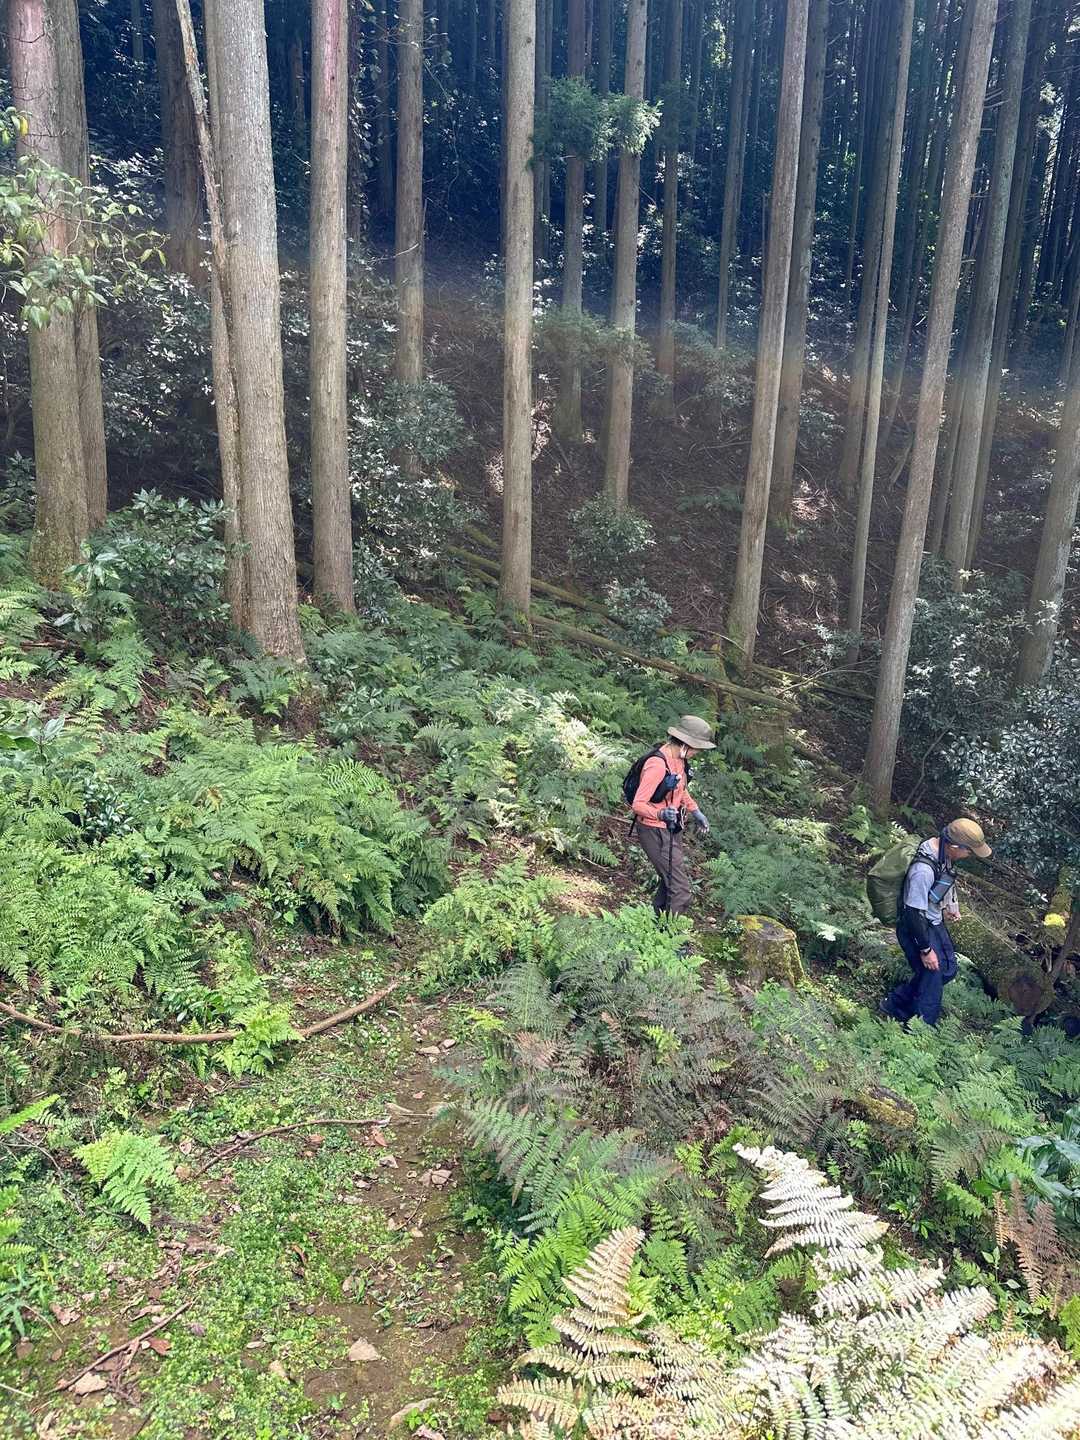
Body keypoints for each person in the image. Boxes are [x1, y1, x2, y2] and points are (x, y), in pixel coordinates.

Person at [880, 818, 992, 1027]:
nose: (970, 856)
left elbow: (946, 879)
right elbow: (913, 912)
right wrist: (925, 950)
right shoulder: (923, 871)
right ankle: (919, 1030)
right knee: (933, 974)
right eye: (969, 851)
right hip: (916, 927)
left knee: (948, 970)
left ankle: (897, 1003)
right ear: (955, 846)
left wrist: (950, 905)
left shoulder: (943, 853)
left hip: (933, 920)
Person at [629, 716, 715, 917]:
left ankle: (656, 925)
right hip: (654, 830)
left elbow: (680, 789)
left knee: (669, 883)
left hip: (671, 829)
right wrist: (659, 813)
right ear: (685, 744)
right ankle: (670, 933)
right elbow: (638, 804)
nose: (697, 753)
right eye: (696, 748)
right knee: (681, 891)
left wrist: (695, 811)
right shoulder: (657, 765)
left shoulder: (679, 760)